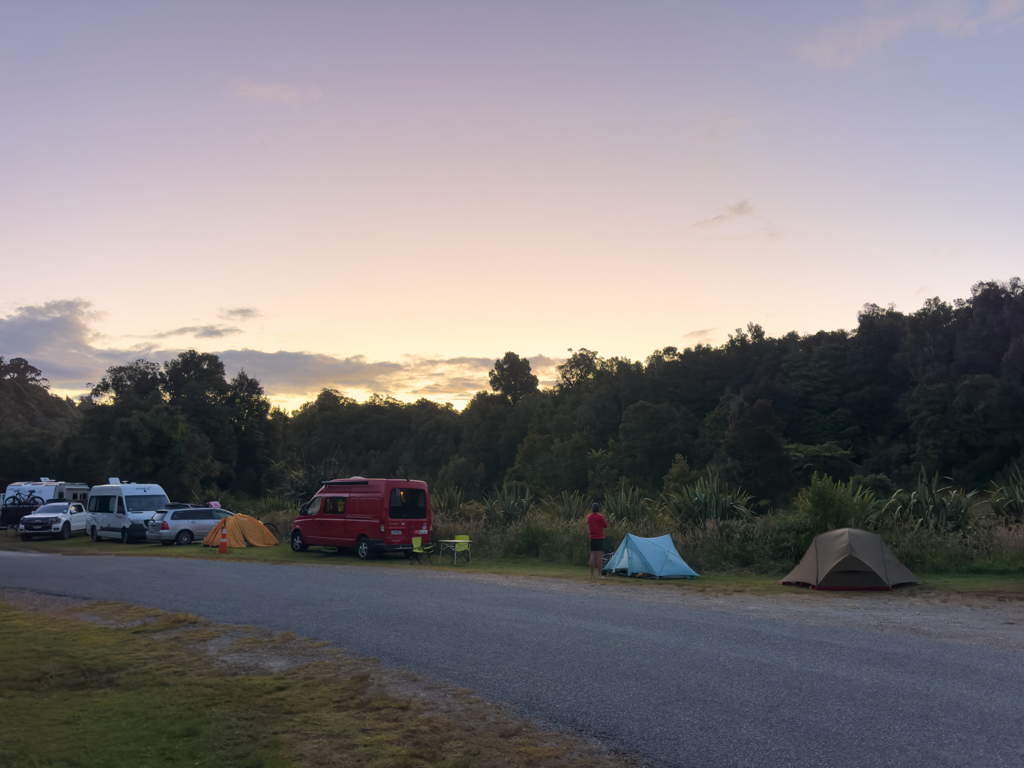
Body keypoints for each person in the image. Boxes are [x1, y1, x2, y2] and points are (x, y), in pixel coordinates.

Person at [587, 502, 608, 581]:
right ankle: (599, 575)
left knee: (592, 556)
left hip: (592, 538)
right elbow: (605, 525)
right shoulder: (601, 517)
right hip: (600, 538)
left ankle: (592, 574)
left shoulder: (589, 517)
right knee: (599, 557)